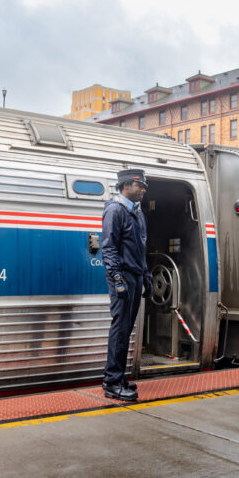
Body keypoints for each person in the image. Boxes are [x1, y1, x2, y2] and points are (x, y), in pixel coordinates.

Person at [100, 168, 152, 402]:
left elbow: (140, 250)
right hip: (122, 277)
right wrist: (117, 279)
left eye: (143, 187)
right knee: (120, 329)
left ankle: (119, 377)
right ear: (125, 186)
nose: (142, 190)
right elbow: (109, 248)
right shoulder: (115, 211)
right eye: (139, 185)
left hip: (136, 276)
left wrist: (147, 276)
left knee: (126, 330)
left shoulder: (138, 214)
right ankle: (112, 382)